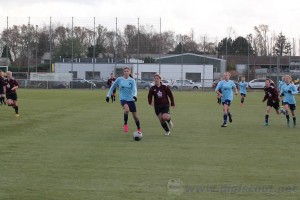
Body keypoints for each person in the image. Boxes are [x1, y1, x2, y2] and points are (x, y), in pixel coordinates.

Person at [105, 67, 141, 133]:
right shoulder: (119, 79)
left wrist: (135, 96)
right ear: (123, 72)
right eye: (125, 71)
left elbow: (134, 89)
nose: (126, 72)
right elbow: (112, 87)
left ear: (130, 72)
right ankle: (125, 124)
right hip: (123, 99)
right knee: (126, 109)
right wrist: (108, 96)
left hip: (131, 99)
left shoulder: (132, 80)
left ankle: (139, 128)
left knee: (135, 117)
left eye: (127, 71)